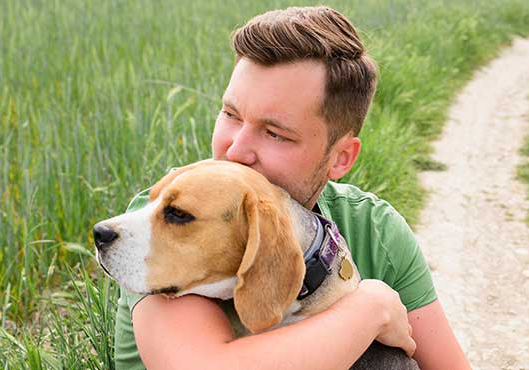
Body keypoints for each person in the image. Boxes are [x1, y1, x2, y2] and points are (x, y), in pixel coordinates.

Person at [111, 6, 471, 370]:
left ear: (341, 158)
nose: (235, 151)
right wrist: (368, 309)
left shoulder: (374, 230)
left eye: (275, 134)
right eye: (231, 114)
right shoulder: (170, 216)